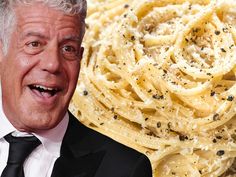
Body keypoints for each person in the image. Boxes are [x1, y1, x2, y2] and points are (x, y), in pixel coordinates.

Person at [0, 1, 152, 177]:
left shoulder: (125, 169)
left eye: (68, 49)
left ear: (80, 58)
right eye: (34, 44)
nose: (53, 64)